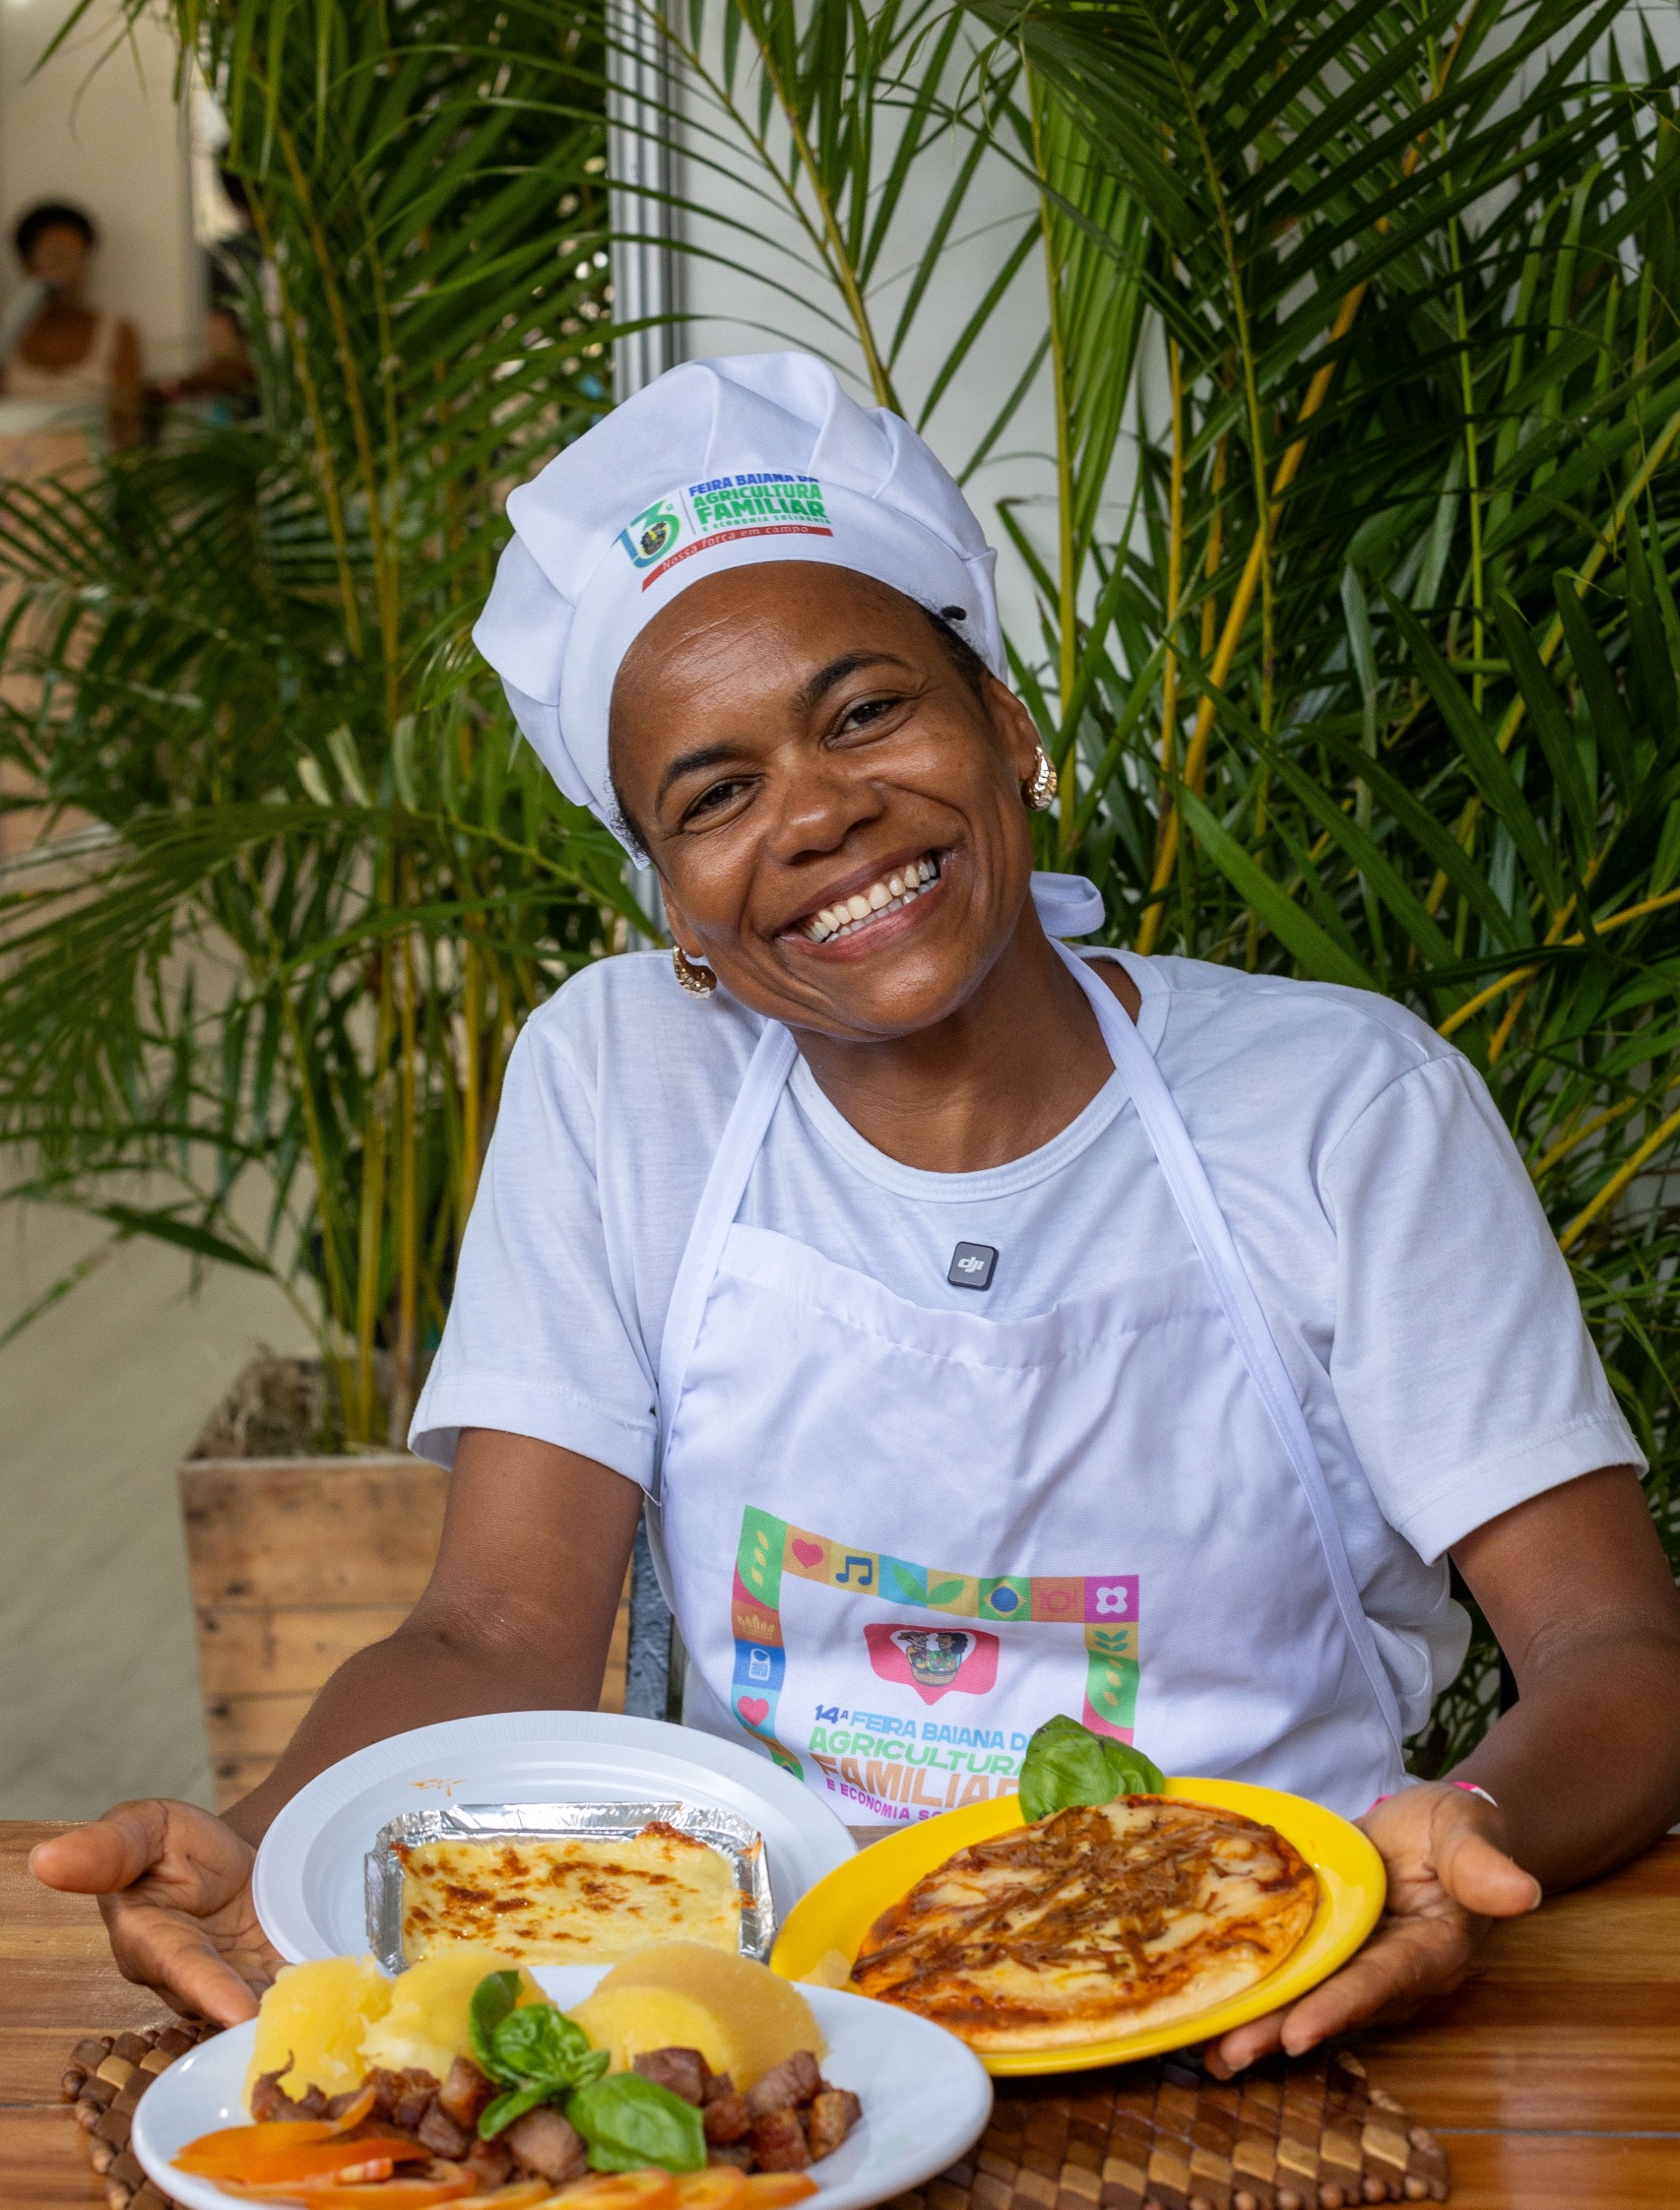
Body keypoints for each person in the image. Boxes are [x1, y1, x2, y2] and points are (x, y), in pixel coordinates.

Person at [32, 353, 1680, 2078]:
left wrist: (1461, 1836)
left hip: (1267, 2012)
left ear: (1009, 729)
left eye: (865, 712)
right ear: (672, 904)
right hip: (774, 2056)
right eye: (714, 794)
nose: (817, 812)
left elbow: (1617, 1648)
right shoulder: (620, 1079)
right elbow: (496, 1630)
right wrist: (269, 1842)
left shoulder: (1342, 1105)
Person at [0, 202, 141, 468]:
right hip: (15, 472)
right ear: (27, 261)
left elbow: (127, 422)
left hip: (94, 472)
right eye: (53, 256)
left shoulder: (116, 332)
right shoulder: (8, 331)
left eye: (75, 256)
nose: (65, 269)